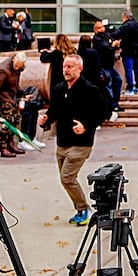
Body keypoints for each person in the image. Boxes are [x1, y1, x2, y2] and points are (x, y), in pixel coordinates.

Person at [41, 54, 108, 225]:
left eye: (70, 67)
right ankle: (81, 210)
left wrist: (86, 126)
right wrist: (46, 119)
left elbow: (103, 113)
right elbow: (54, 110)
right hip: (62, 142)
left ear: (80, 69)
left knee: (67, 178)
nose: (66, 70)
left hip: (81, 143)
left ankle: (84, 209)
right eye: (65, 66)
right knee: (66, 179)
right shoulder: (58, 89)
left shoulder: (90, 89)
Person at [0, 52, 28, 158]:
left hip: (10, 97)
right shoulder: (3, 69)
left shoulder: (17, 69)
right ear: (13, 59)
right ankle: (2, 146)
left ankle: (11, 143)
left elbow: (14, 83)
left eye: (20, 66)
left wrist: (20, 92)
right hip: (2, 99)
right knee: (8, 120)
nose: (17, 68)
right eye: (16, 66)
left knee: (17, 118)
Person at [91, 19, 121, 117]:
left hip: (110, 65)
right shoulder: (97, 39)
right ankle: (110, 105)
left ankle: (115, 103)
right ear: (95, 30)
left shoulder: (107, 36)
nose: (102, 29)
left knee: (118, 81)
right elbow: (106, 48)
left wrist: (115, 44)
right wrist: (112, 45)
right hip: (103, 66)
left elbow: (111, 44)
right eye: (99, 28)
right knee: (108, 85)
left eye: (102, 27)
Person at [117, 11, 138, 94]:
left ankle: (130, 88)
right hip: (137, 50)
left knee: (128, 70)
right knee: (137, 69)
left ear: (125, 17)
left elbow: (117, 34)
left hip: (127, 51)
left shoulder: (125, 26)